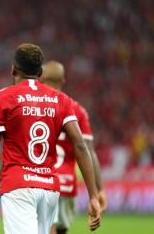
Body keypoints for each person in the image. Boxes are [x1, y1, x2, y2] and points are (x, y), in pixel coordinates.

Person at [0, 44, 101, 234]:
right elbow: (80, 146)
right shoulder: (62, 100)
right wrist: (93, 195)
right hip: (49, 189)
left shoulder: (3, 98)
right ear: (40, 72)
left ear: (13, 69)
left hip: (18, 187)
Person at [40, 61, 108, 234]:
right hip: (68, 186)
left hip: (42, 180)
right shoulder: (76, 110)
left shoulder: (34, 106)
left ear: (40, 79)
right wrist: (98, 189)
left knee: (47, 228)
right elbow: (89, 152)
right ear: (63, 81)